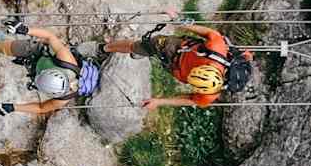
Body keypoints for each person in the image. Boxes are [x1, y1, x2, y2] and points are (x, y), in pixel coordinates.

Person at [103, 9, 253, 110]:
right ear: (206, 65)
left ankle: (144, 51)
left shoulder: (209, 95)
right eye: (194, 71)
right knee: (139, 46)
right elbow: (209, 32)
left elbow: (192, 100)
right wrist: (180, 21)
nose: (192, 72)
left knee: (150, 51)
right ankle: (105, 48)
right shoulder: (216, 48)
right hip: (177, 48)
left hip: (174, 67)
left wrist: (159, 102)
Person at [0, 20, 102, 116]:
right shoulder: (67, 61)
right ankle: (1, 42)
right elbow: (50, 36)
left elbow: (41, 108)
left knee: (14, 56)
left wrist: (13, 108)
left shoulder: (63, 98)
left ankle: (3, 48)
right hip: (41, 54)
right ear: (52, 71)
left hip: (38, 68)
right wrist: (25, 29)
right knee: (4, 48)